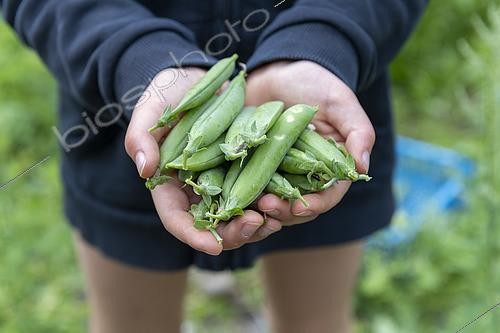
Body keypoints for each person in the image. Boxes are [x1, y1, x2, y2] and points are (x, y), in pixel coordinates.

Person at [1, 1, 427, 332]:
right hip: (126, 111)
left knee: (317, 324)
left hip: (323, 112)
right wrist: (133, 54)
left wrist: (326, 39)